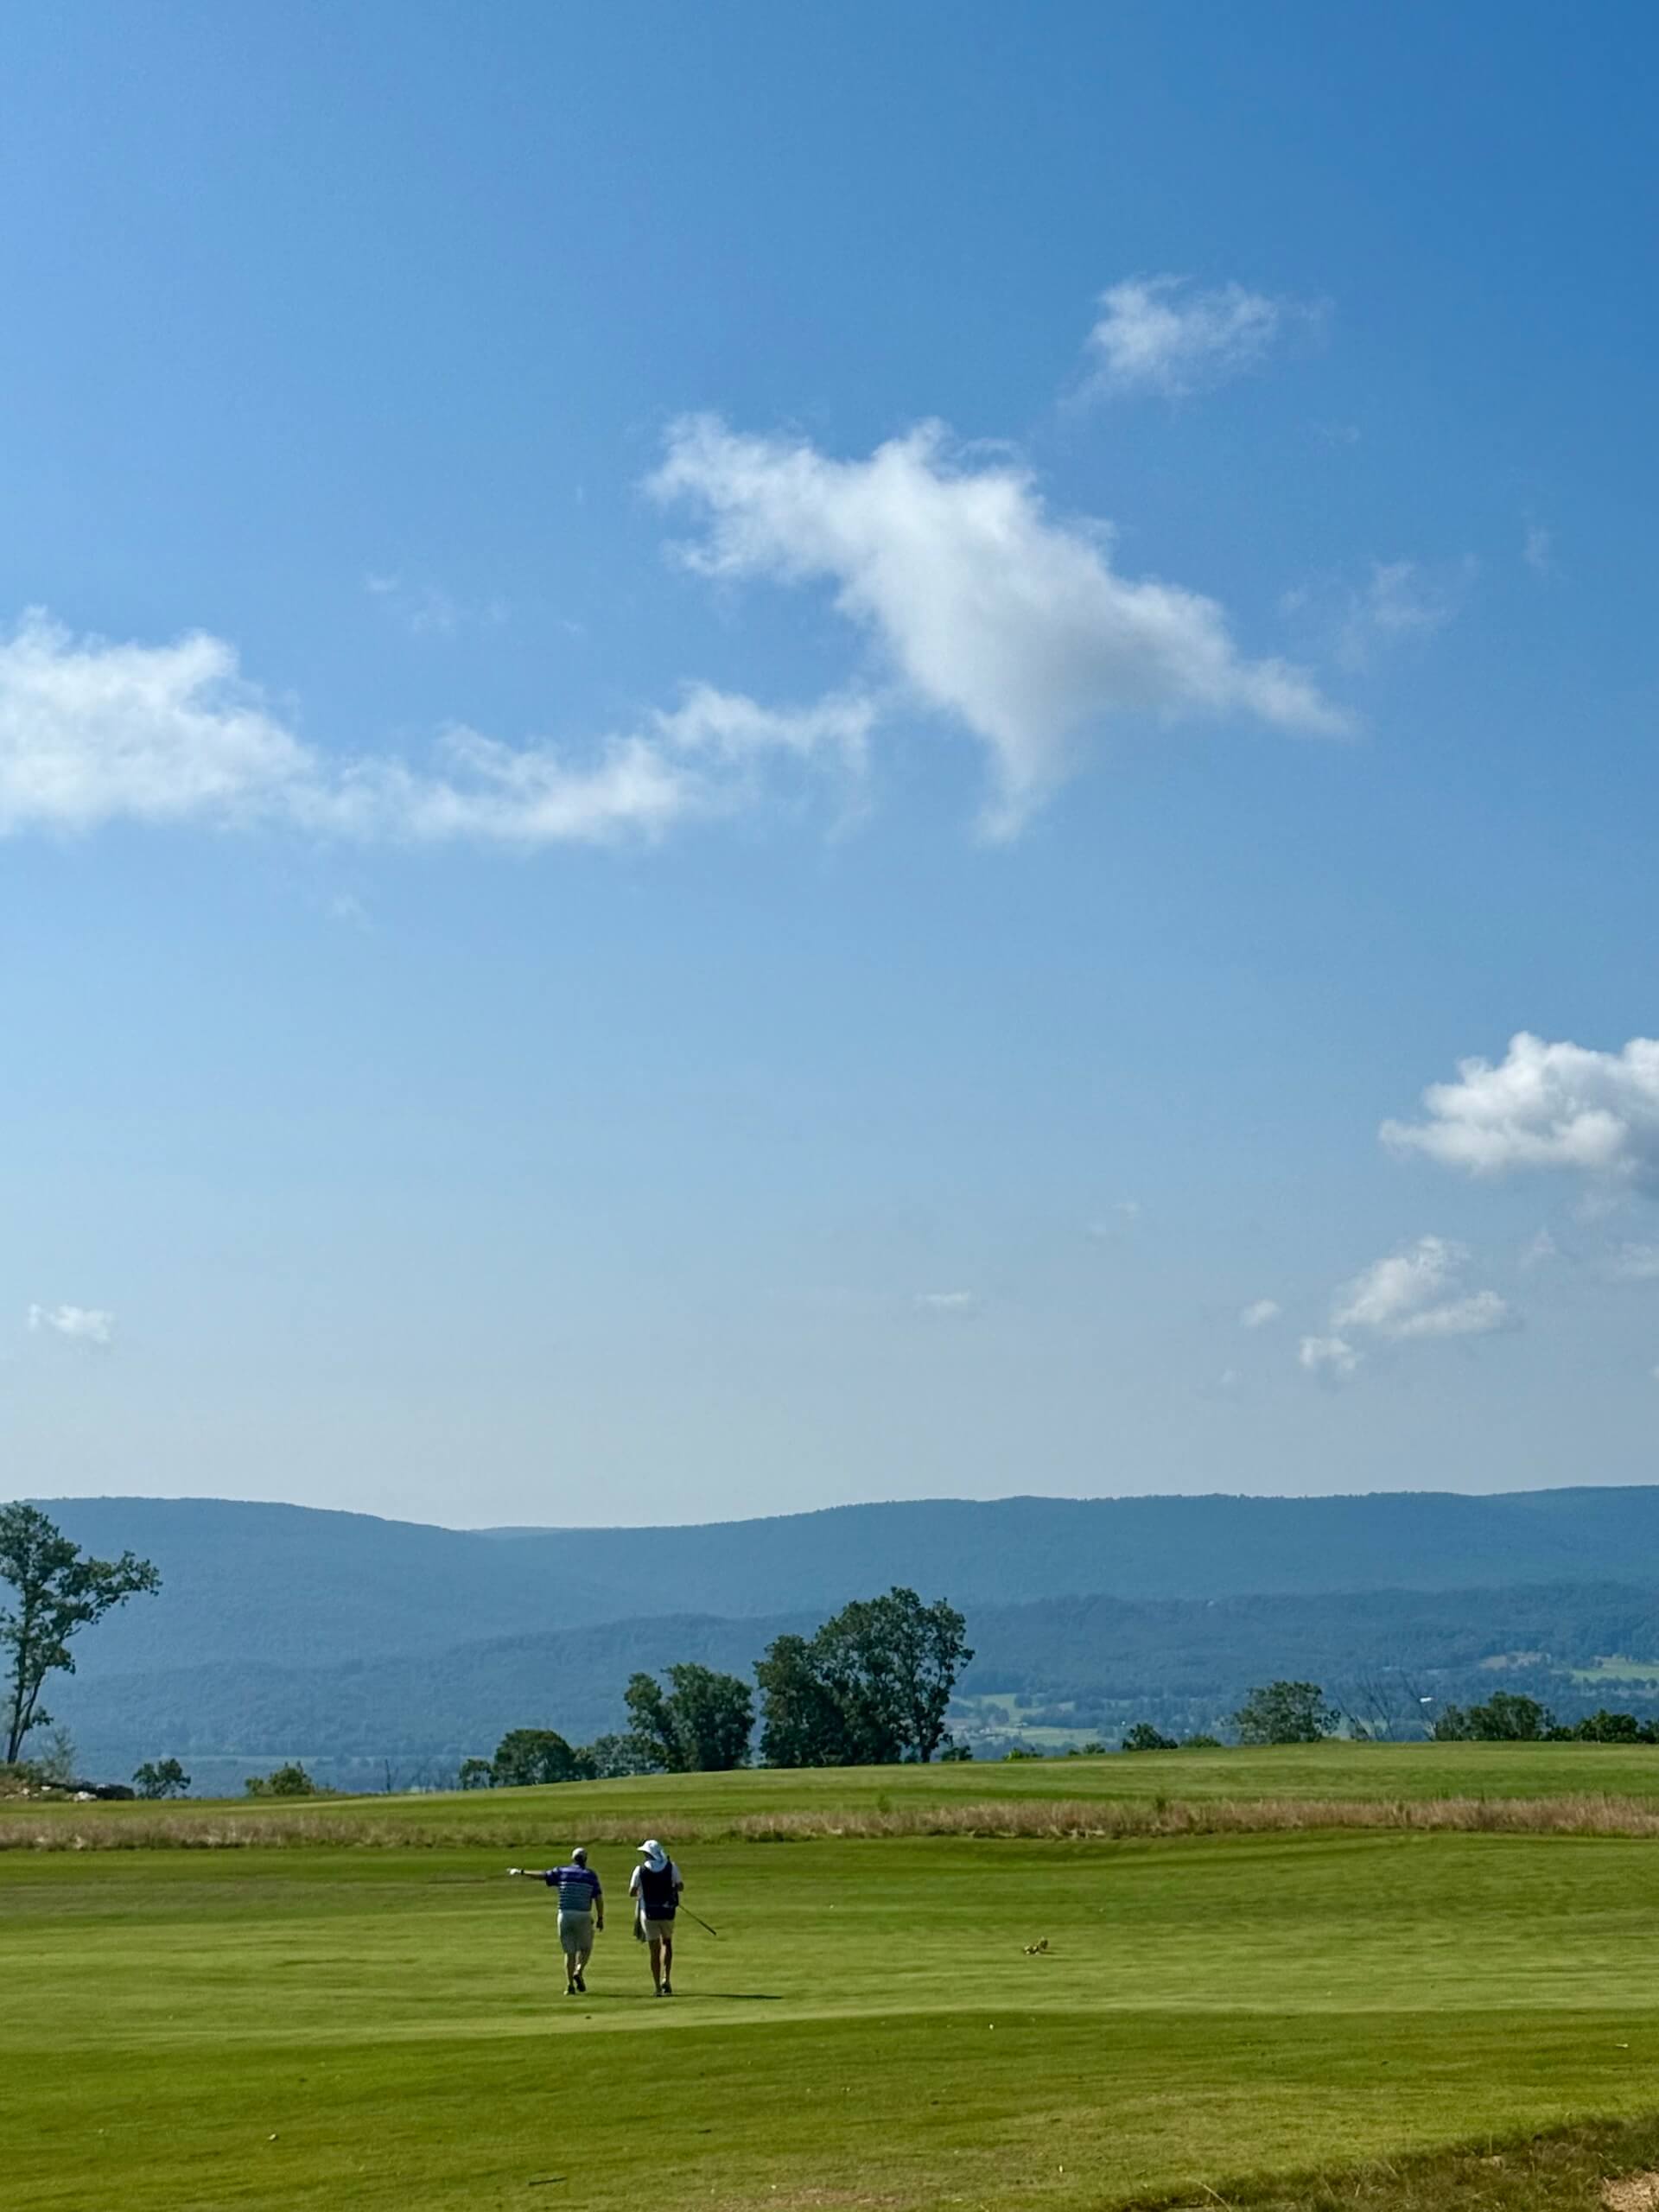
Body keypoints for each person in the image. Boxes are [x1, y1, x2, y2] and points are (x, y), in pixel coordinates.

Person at [506, 1845, 604, 1994]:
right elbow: (598, 1898)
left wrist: (521, 1872)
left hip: (564, 1914)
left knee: (569, 1952)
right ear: (585, 1860)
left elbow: (542, 1875)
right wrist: (600, 1917)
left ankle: (570, 1985)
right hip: (583, 1914)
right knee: (585, 1948)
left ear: (573, 1859)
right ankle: (579, 1970)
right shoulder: (590, 1875)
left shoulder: (562, 1871)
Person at [628, 1837, 683, 1996]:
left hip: (649, 1914)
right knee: (667, 1943)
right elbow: (680, 1886)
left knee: (654, 1950)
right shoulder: (671, 1867)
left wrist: (643, 1892)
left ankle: (657, 1988)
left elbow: (632, 1892)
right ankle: (666, 1978)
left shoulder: (640, 1870)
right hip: (667, 1912)